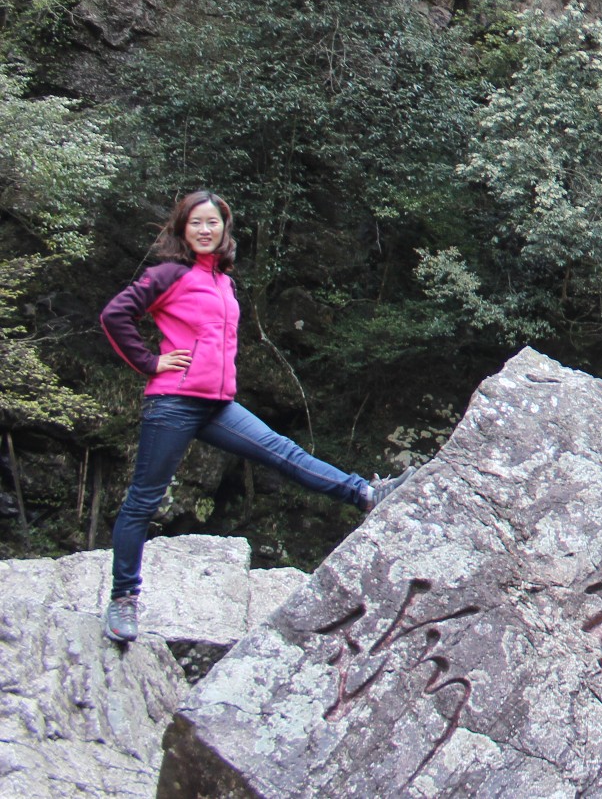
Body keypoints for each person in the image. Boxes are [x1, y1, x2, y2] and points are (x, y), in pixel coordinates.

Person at [97, 190, 399, 644]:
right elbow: (114, 314)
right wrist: (149, 361)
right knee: (143, 500)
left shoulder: (222, 279)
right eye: (195, 222)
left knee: (281, 450)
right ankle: (123, 601)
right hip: (173, 402)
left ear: (224, 229)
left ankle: (365, 493)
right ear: (182, 228)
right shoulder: (169, 273)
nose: (204, 229)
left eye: (213, 222)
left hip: (216, 404)